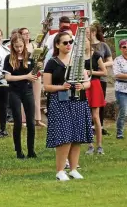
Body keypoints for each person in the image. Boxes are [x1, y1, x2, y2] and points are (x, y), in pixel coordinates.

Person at [43, 32, 93, 181]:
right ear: (57, 45)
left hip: (78, 101)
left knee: (77, 136)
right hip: (60, 102)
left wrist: (82, 86)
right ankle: (60, 170)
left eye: (70, 42)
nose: (68, 45)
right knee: (64, 137)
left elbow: (88, 82)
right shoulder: (52, 63)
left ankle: (73, 168)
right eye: (65, 43)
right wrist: (61, 87)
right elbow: (46, 86)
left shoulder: (77, 61)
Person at [4, 33, 38, 159]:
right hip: (14, 92)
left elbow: (34, 75)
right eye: (16, 46)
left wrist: (36, 72)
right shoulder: (9, 58)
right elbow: (8, 77)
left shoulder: (29, 57)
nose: (19, 49)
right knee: (18, 121)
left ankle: (31, 150)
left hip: (27, 90)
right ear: (12, 46)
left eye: (21, 46)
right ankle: (19, 151)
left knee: (31, 122)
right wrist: (26, 76)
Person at [83, 34, 107, 155]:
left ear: (89, 42)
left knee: (96, 116)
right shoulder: (79, 57)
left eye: (85, 41)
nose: (84, 44)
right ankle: (90, 145)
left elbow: (104, 72)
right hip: (84, 85)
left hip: (95, 85)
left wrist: (92, 72)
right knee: (86, 116)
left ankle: (99, 145)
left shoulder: (96, 55)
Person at [89, 24, 113, 135]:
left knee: (100, 102)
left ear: (93, 33)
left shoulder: (103, 45)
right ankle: (89, 126)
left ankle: (100, 126)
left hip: (101, 77)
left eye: (88, 32)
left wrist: (100, 64)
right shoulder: (85, 45)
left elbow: (110, 61)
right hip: (88, 78)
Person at [19, 27, 46, 127]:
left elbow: (40, 58)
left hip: (36, 73)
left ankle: (37, 119)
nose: (27, 35)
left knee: (37, 97)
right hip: (25, 74)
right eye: (24, 33)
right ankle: (24, 119)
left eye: (28, 33)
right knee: (24, 97)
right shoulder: (20, 47)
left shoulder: (34, 45)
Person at [113, 39, 127, 140]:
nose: (126, 48)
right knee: (124, 111)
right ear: (120, 49)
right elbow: (117, 75)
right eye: (124, 47)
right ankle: (119, 133)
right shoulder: (117, 60)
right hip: (122, 89)